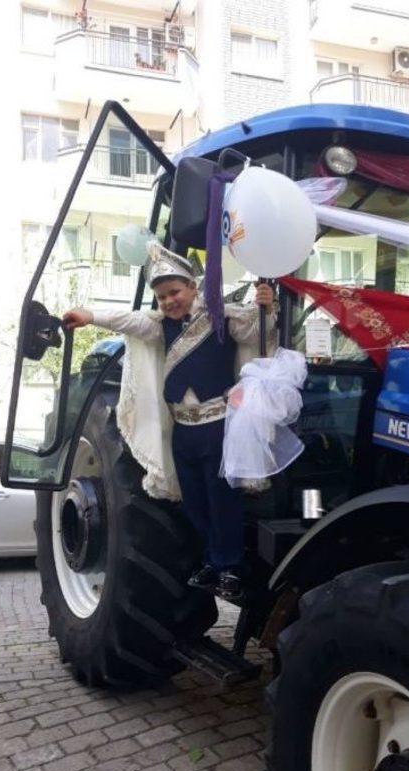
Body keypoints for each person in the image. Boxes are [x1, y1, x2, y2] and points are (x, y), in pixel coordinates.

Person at [63, 244, 275, 601]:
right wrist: (89, 315)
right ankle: (214, 560)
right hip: (184, 432)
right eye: (162, 297)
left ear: (193, 287)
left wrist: (267, 304)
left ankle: (230, 567)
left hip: (218, 427)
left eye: (174, 292)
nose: (169, 301)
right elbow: (126, 319)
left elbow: (257, 334)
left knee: (222, 501)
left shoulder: (223, 317)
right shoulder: (160, 326)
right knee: (193, 502)